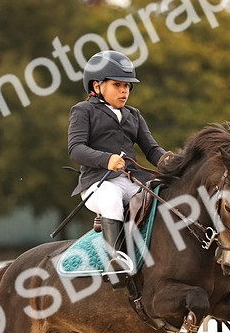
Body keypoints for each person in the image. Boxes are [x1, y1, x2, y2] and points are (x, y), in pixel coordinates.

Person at [68, 50, 173, 284]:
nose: (124, 91)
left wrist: (171, 162)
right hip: (98, 183)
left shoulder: (134, 115)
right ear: (96, 85)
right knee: (112, 198)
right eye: (117, 85)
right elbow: (75, 149)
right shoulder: (83, 111)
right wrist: (107, 159)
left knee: (163, 196)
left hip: (131, 180)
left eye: (127, 86)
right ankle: (114, 259)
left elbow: (152, 150)